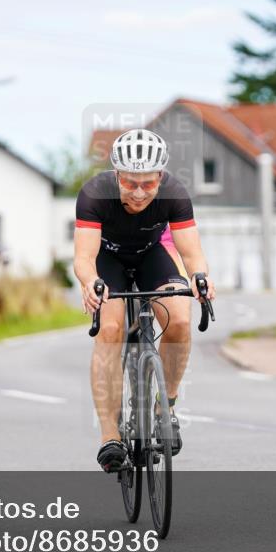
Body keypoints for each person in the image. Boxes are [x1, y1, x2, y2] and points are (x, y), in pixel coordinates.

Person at [73, 128, 216, 472]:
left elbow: (191, 253)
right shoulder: (95, 193)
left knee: (180, 320)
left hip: (151, 256)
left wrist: (200, 278)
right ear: (117, 174)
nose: (139, 193)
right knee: (110, 330)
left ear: (161, 177)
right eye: (130, 183)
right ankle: (110, 436)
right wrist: (91, 282)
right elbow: (84, 257)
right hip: (108, 260)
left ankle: (165, 408)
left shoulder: (174, 193)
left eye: (148, 184)